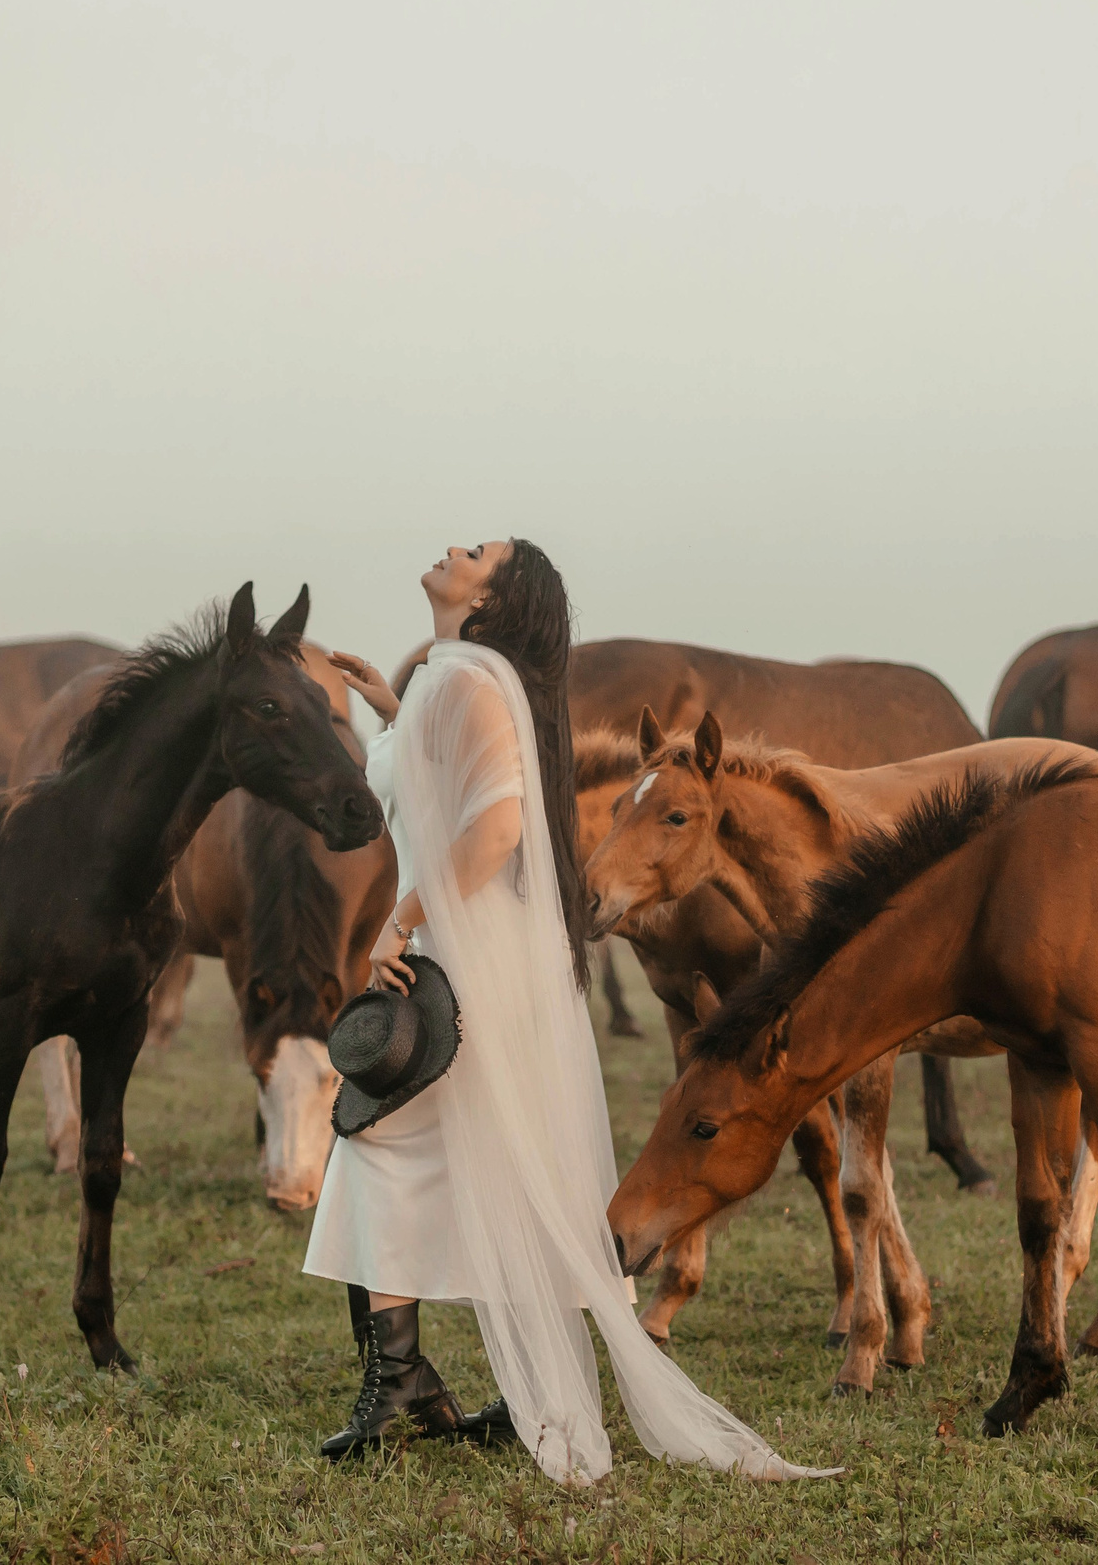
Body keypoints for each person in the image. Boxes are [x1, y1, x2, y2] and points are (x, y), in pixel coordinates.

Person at [307, 539, 834, 1487]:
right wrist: (393, 709)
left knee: (387, 1137)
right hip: (481, 948)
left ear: (494, 596)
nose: (451, 547)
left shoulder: (466, 677)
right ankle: (447, 1384)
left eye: (476, 551)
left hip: (464, 953)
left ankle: (415, 1384)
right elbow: (430, 794)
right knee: (480, 1152)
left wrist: (401, 921)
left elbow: (498, 828)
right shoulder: (456, 677)